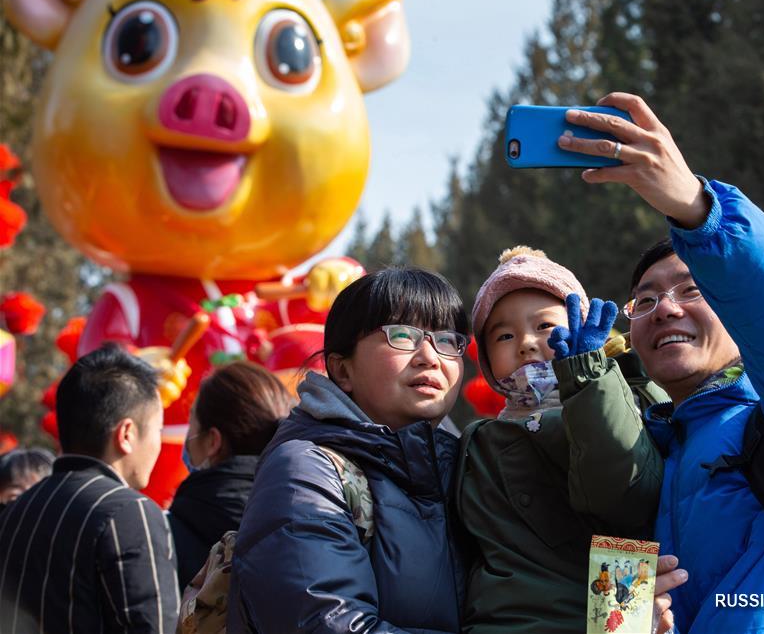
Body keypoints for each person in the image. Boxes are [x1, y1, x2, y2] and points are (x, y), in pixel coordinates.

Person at [558, 92, 764, 632]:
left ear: (737, 314)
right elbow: (617, 622)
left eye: (692, 290)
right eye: (644, 301)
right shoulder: (638, 462)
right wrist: (627, 625)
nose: (665, 307)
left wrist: (698, 213)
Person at [228, 267, 469, 633]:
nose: (429, 356)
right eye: (401, 335)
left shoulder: (465, 465)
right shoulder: (305, 471)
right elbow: (325, 623)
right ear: (342, 371)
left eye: (448, 340)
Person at [457, 245, 668, 633]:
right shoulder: (479, 440)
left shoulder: (626, 400)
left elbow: (626, 499)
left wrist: (585, 376)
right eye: (504, 334)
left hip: (612, 615)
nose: (525, 342)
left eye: (545, 327)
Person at [0, 343, 179, 634]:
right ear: (126, 434)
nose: (157, 443)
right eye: (158, 430)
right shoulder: (130, 511)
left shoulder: (17, 510)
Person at [168, 361, 294, 591]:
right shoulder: (315, 509)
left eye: (192, 425)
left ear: (213, 441)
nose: (187, 440)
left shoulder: (169, 533)